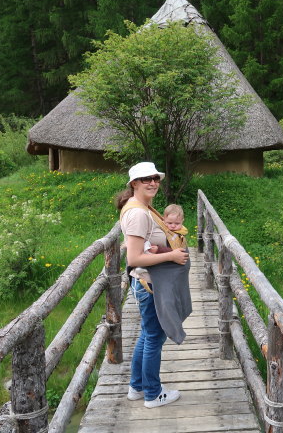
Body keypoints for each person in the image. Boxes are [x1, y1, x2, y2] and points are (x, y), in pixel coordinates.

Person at [116, 161, 189, 408]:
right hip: (149, 283)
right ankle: (153, 394)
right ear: (134, 183)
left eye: (155, 178)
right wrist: (172, 256)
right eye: (146, 179)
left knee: (147, 336)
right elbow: (134, 258)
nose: (153, 183)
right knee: (154, 338)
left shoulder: (141, 207)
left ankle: (137, 387)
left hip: (148, 281)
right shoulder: (137, 212)